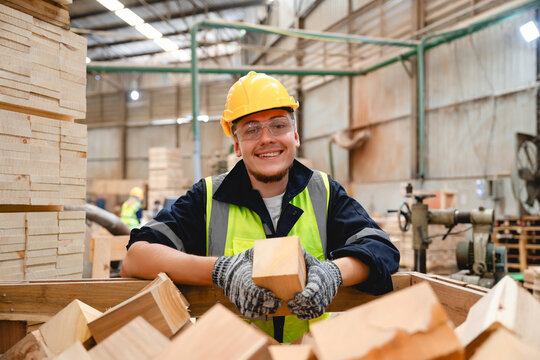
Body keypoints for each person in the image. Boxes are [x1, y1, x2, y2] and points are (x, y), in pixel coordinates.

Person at [121, 71, 399, 343]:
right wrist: (222, 271)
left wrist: (334, 273)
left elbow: (380, 249)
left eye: (279, 125)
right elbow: (136, 257)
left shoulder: (323, 192)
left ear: (295, 135)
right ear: (237, 145)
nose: (267, 138)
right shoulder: (207, 198)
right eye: (252, 129)